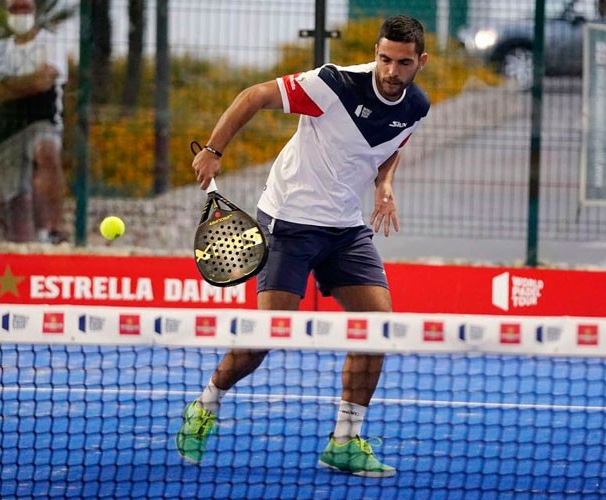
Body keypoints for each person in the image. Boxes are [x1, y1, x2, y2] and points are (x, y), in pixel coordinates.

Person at [176, 15, 430, 477]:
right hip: (289, 221)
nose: (392, 71)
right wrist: (213, 150)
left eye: (403, 63)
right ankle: (206, 404)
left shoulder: (416, 104)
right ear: (376, 52)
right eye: (385, 59)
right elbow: (252, 96)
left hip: (346, 229)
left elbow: (392, 145)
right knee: (267, 337)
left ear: (420, 62)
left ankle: (345, 441)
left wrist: (385, 184)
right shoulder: (331, 84)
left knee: (378, 328)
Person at [0, 0, 68, 243]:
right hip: (6, 128)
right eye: (14, 9)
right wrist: (29, 82)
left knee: (46, 153)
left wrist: (4, 82)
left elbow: (44, 82)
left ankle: (51, 230)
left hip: (43, 119)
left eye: (24, 8)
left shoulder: (50, 43)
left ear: (34, 10)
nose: (20, 14)